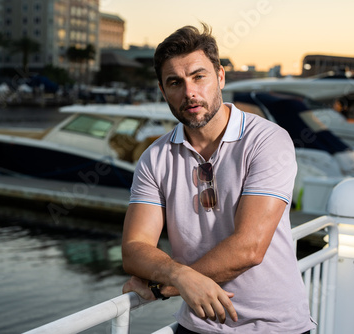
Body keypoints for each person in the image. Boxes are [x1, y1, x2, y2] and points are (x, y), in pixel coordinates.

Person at [121, 23, 315, 333]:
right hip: (197, 326)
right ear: (163, 91)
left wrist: (167, 286)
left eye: (199, 77)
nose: (189, 92)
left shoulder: (267, 140)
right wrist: (180, 277)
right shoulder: (155, 157)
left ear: (220, 76)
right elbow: (133, 247)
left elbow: (248, 248)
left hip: (273, 327)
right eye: (175, 82)